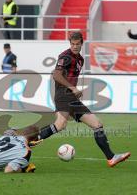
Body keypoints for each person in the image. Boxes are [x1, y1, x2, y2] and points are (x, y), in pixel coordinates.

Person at [37, 31, 131, 167]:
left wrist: (74, 90)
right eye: (72, 44)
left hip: (72, 98)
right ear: (70, 44)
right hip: (63, 95)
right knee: (60, 125)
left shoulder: (80, 59)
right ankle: (32, 140)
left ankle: (111, 158)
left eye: (77, 44)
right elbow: (56, 75)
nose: (75, 46)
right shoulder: (65, 56)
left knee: (97, 124)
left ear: (82, 43)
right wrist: (73, 88)